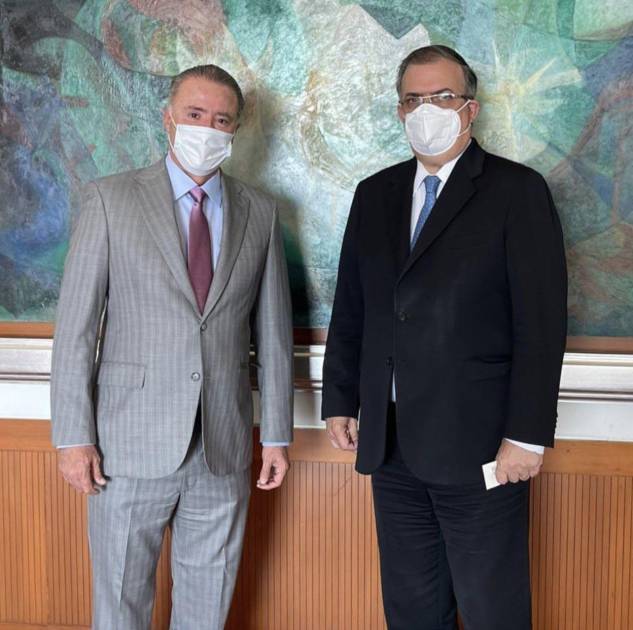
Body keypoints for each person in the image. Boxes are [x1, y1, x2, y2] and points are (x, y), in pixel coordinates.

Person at [322, 45, 567, 630]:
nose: (426, 108)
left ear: (470, 108)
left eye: (442, 96)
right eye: (414, 99)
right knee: (411, 607)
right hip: (390, 444)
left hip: (482, 446)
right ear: (400, 111)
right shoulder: (374, 193)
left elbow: (541, 323)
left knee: (491, 608)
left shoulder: (516, 191)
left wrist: (527, 437)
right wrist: (340, 399)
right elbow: (352, 306)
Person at [50, 64, 293, 630]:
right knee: (120, 605)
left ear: (235, 130)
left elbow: (274, 335)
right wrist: (73, 437)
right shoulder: (109, 200)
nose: (208, 128)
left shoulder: (260, 212)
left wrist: (277, 435)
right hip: (126, 446)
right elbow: (76, 331)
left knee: (208, 609)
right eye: (195, 114)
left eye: (222, 119)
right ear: (168, 120)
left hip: (222, 446)